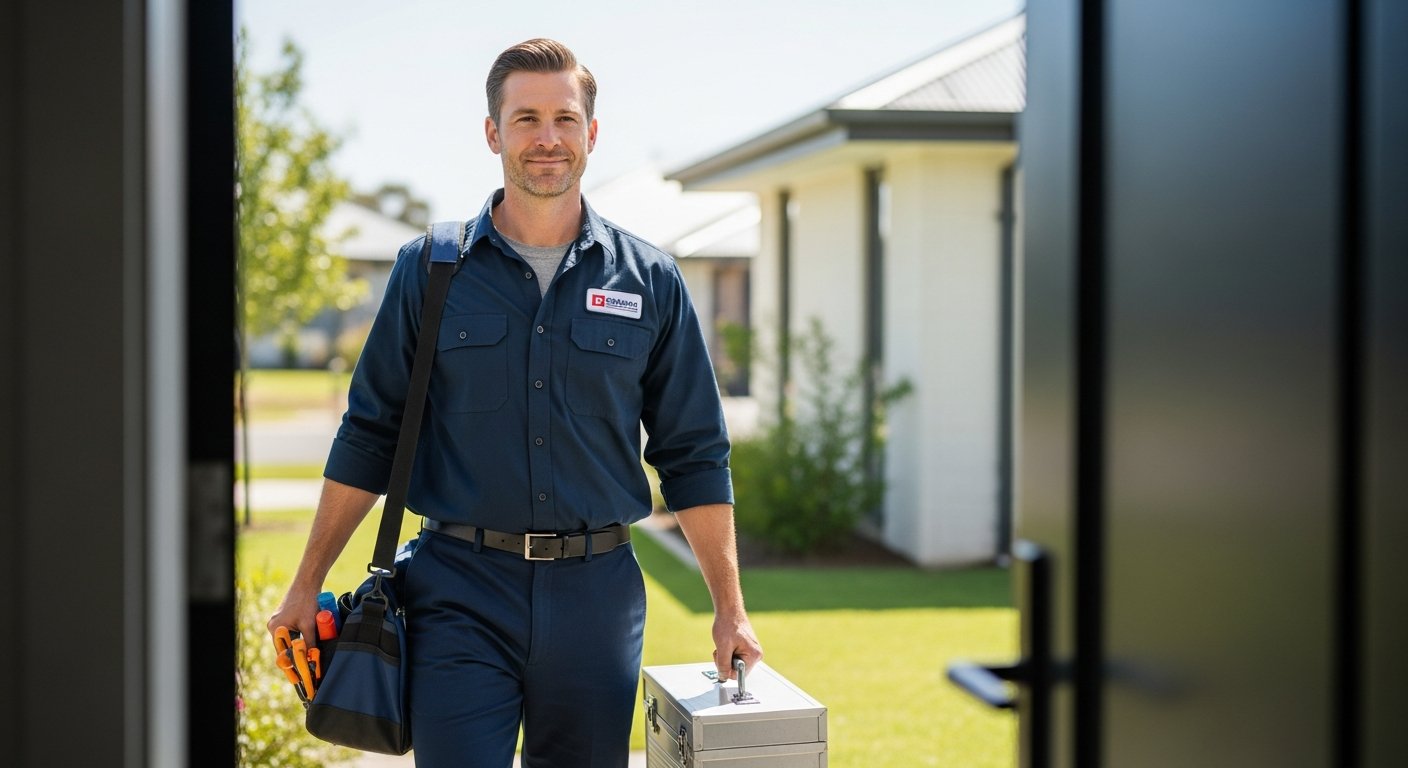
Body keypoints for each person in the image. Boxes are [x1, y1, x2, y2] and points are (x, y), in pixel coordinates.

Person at [268, 38, 763, 767]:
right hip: (457, 593)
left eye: (564, 118)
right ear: (493, 132)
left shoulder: (650, 280)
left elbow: (693, 453)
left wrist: (730, 607)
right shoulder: (430, 270)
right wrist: (305, 583)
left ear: (591, 133)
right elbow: (370, 431)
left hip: (598, 599)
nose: (547, 138)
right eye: (525, 118)